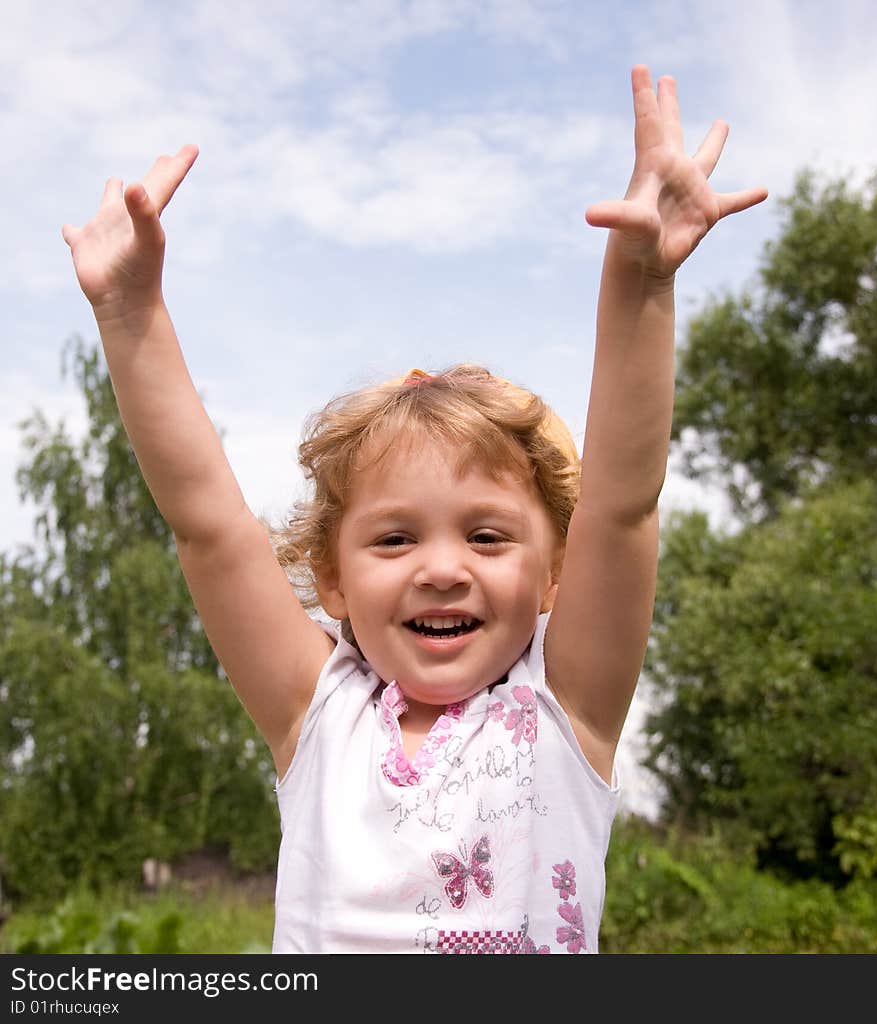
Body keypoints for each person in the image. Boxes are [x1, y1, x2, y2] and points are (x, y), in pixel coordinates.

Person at [62, 65, 766, 954]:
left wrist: (643, 275)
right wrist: (129, 312)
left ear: (555, 572)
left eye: (486, 535)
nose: (442, 567)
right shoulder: (316, 716)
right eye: (394, 538)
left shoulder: (568, 705)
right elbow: (209, 523)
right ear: (333, 577)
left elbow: (623, 502)